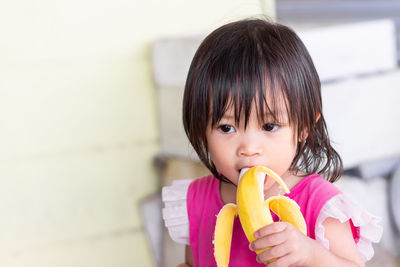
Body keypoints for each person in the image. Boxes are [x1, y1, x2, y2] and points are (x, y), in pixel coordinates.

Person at [162, 18, 382, 267]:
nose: (249, 148)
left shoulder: (320, 207)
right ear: (201, 130)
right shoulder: (197, 202)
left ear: (304, 126)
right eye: (227, 128)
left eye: (269, 126)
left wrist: (311, 254)